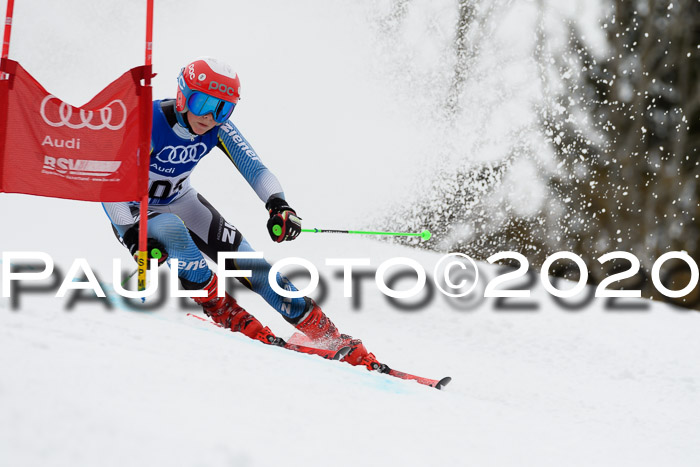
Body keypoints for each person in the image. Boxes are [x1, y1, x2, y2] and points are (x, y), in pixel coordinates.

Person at [103, 57, 378, 369]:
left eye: (222, 108)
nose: (209, 116)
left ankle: (327, 335)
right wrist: (129, 236)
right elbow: (108, 187)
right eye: (202, 102)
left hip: (182, 199)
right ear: (182, 95)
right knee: (172, 226)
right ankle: (226, 312)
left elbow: (255, 169)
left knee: (251, 263)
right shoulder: (147, 121)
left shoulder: (219, 128)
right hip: (133, 211)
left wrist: (279, 205)